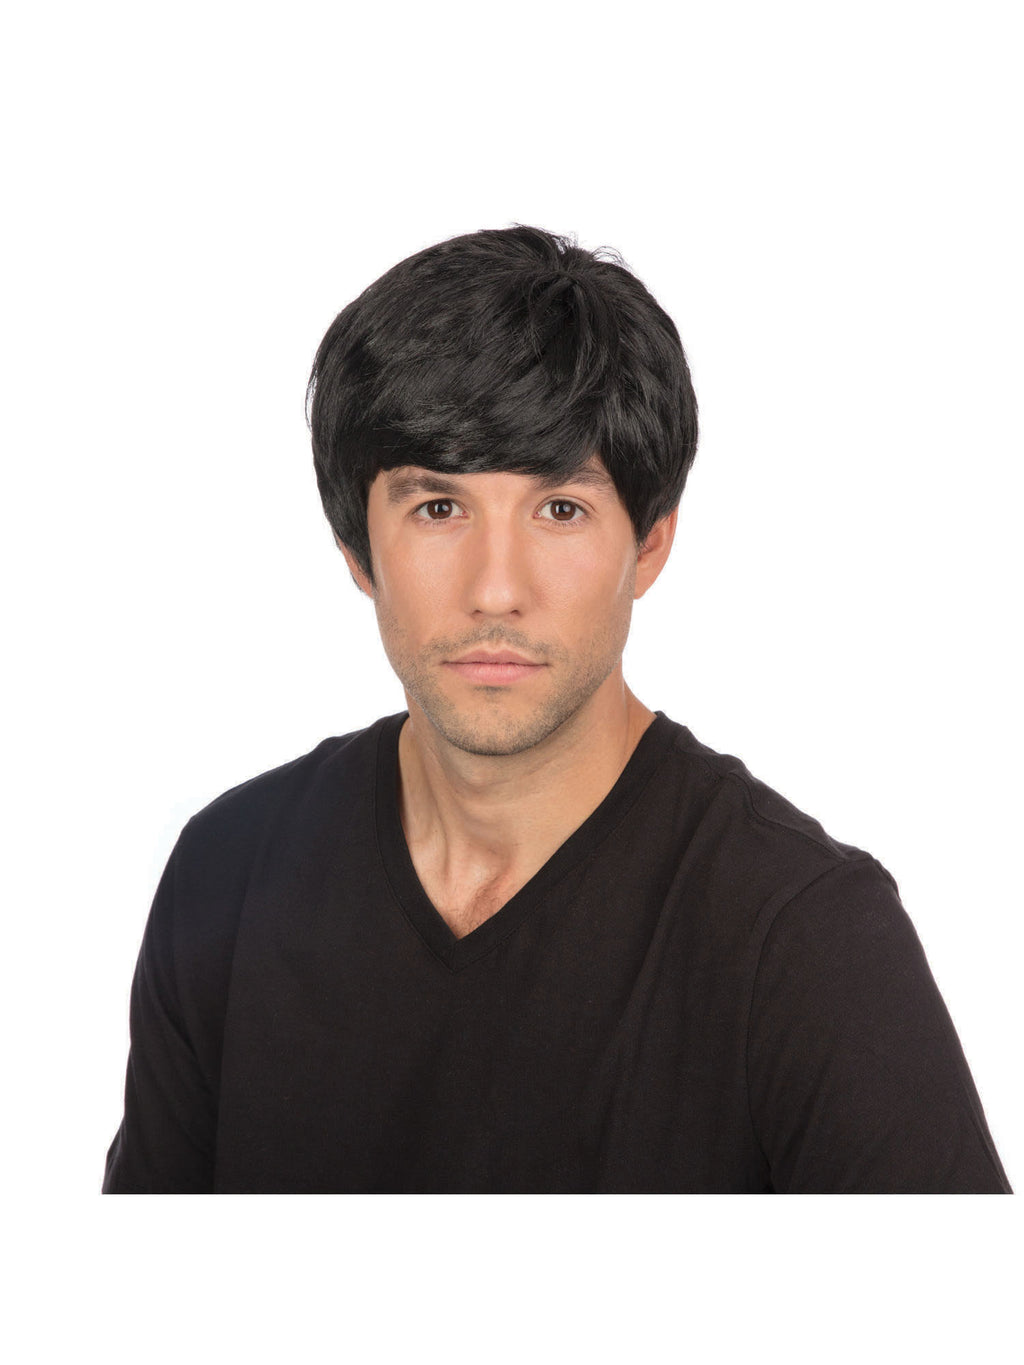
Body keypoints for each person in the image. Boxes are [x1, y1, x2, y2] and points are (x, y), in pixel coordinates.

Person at [102, 224, 1011, 1194]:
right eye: (438, 508)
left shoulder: (805, 939)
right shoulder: (230, 876)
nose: (496, 589)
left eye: (560, 510)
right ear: (358, 550)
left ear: (649, 544)